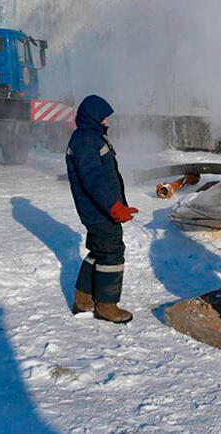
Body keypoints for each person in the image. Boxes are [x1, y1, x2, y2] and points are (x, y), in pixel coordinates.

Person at [66, 95, 138, 323]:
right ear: (92, 117)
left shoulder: (91, 137)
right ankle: (107, 307)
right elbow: (93, 180)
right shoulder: (86, 141)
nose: (106, 122)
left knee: (99, 250)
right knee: (112, 251)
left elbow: (105, 177)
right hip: (98, 210)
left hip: (100, 207)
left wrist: (119, 203)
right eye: (103, 118)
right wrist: (113, 207)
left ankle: (83, 299)